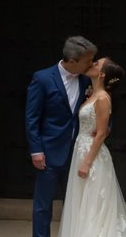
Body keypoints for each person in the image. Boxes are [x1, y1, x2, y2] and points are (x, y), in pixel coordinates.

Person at [25, 35, 96, 237]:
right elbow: (32, 118)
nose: (91, 64)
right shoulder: (43, 78)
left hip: (77, 152)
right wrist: (36, 150)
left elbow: (99, 104)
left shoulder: (86, 79)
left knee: (74, 204)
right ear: (72, 61)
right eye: (87, 60)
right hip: (48, 152)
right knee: (43, 205)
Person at [58, 57, 126, 237]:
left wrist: (86, 162)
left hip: (91, 157)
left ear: (101, 74)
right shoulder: (91, 93)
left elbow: (100, 133)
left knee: (93, 204)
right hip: (82, 149)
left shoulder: (102, 98)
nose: (91, 64)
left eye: (96, 64)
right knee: (81, 203)